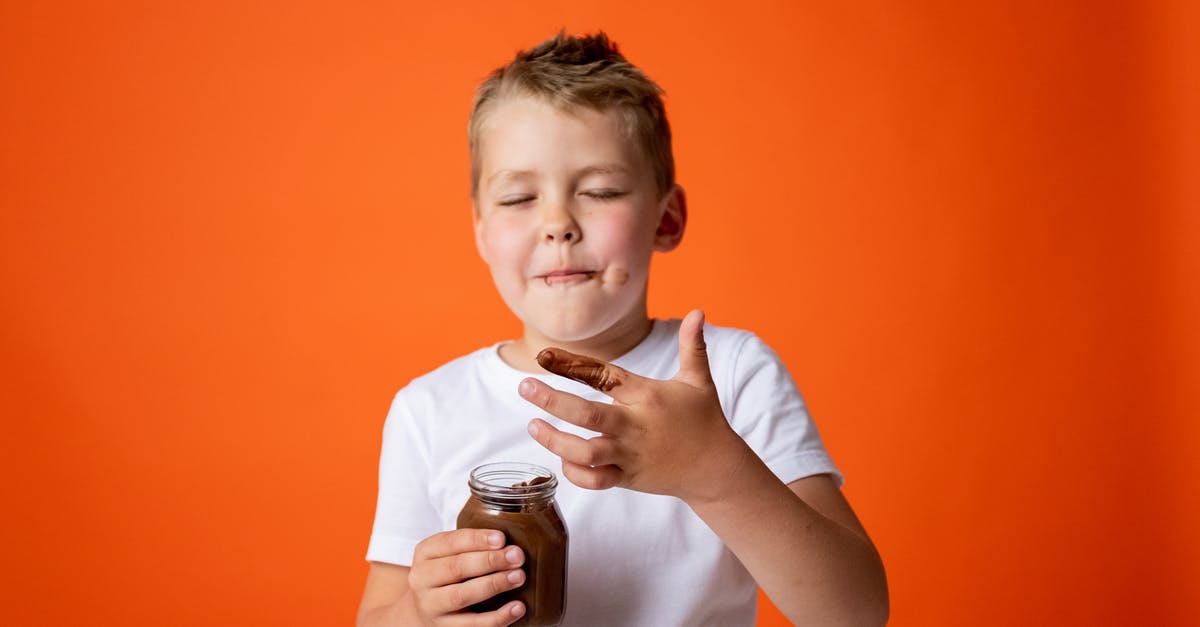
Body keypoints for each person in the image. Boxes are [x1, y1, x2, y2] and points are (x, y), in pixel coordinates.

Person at [356, 31, 888, 626]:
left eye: (600, 191)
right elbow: (377, 614)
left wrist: (716, 474)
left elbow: (856, 613)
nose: (558, 223)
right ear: (480, 229)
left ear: (667, 217)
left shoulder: (732, 377)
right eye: (518, 199)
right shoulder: (428, 409)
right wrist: (421, 612)